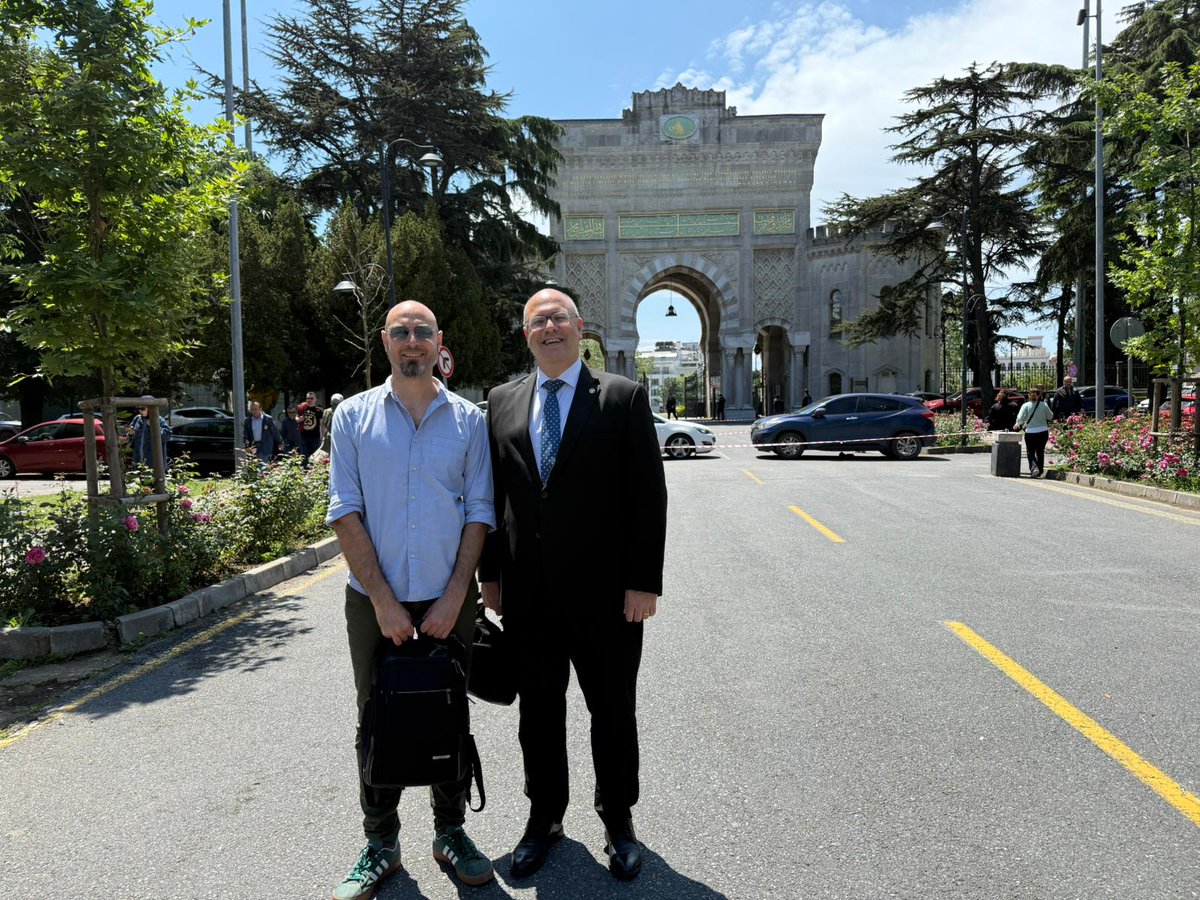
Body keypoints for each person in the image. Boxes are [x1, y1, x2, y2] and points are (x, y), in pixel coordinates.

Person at [479, 289, 667, 883]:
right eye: (539, 321)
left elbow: (647, 497)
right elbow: (493, 499)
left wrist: (643, 583)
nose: (550, 328)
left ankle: (618, 819)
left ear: (579, 327)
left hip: (609, 598)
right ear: (526, 333)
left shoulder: (621, 396)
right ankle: (545, 818)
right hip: (530, 597)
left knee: (612, 710)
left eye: (559, 318)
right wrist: (490, 576)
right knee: (538, 713)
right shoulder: (502, 402)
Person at [326, 301, 496, 897]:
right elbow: (344, 512)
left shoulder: (469, 421)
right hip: (375, 602)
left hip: (450, 601)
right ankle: (381, 843)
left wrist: (457, 596)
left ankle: (450, 832)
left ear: (439, 341)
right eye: (401, 332)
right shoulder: (351, 417)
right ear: (385, 341)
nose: (413, 342)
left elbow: (479, 512)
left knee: (449, 709)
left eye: (423, 332)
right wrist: (382, 601)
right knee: (377, 715)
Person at [1014, 385, 1054, 478]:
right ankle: (1040, 471)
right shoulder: (1044, 405)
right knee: (1040, 452)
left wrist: (1017, 424)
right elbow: (1050, 416)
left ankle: (1034, 468)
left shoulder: (1026, 405)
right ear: (1039, 395)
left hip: (1030, 432)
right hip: (1043, 432)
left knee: (1030, 451)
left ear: (1029, 395)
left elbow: (1020, 417)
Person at [128, 404, 170, 468]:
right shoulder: (137, 419)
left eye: (142, 409)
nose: (140, 411)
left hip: (153, 460)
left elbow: (167, 436)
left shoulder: (159, 419)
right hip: (138, 459)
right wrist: (131, 434)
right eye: (138, 409)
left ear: (150, 409)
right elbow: (130, 438)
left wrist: (154, 426)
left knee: (152, 476)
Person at [297, 391, 323, 462]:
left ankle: (314, 472)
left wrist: (322, 436)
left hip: (315, 437)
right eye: (308, 398)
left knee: (315, 457)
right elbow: (296, 419)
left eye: (311, 398)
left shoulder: (319, 410)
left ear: (315, 399)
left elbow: (322, 424)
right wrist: (299, 419)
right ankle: (304, 472)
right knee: (304, 457)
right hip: (304, 437)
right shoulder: (302, 408)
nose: (309, 400)